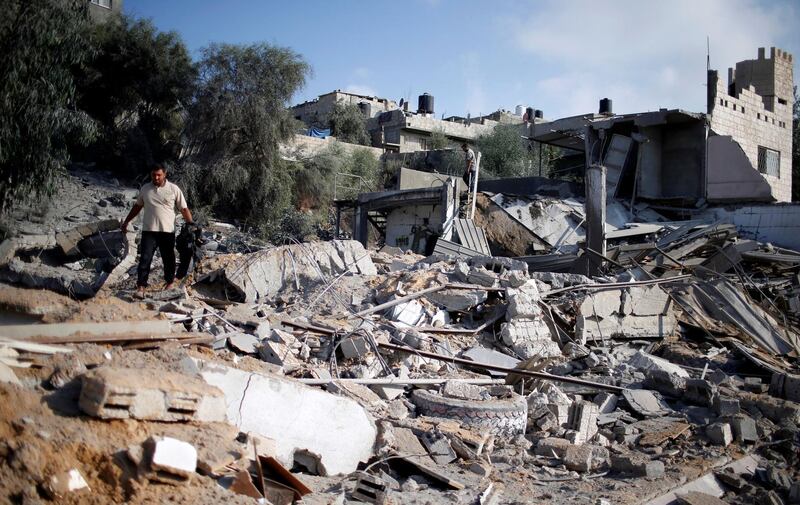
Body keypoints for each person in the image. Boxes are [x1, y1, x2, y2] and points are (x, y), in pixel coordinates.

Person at [121, 163, 194, 298]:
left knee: (168, 258)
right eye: (154, 175)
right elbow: (137, 207)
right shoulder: (145, 189)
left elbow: (183, 208)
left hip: (167, 231)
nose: (156, 177)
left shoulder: (173, 189)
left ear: (164, 174)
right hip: (149, 230)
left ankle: (170, 283)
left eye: (159, 175)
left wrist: (191, 225)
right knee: (145, 258)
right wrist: (126, 221)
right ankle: (141, 287)